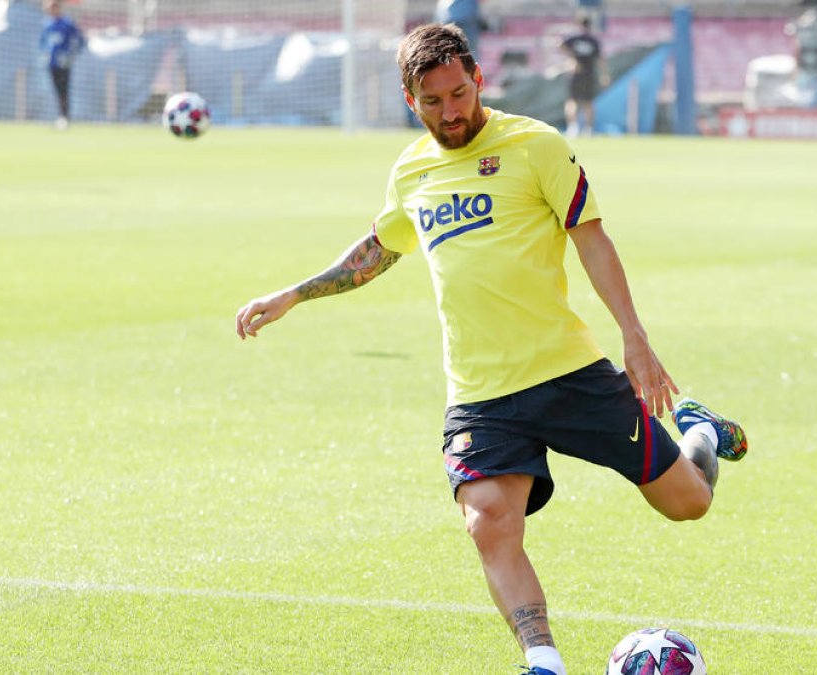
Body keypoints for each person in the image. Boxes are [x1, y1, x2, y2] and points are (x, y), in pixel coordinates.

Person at [234, 24, 747, 675]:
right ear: (409, 98)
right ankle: (542, 659)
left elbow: (591, 238)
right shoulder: (412, 169)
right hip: (480, 394)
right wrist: (294, 295)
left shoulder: (535, 145)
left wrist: (635, 339)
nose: (451, 111)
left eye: (459, 93)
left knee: (687, 503)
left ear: (477, 79)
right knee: (488, 520)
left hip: (569, 373)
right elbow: (380, 248)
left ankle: (698, 431)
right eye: (433, 101)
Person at [40, 0, 86, 130]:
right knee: (56, 91)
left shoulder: (67, 24)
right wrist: (45, 54)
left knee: (63, 90)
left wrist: (70, 55)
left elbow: (79, 41)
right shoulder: (47, 24)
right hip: (52, 64)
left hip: (64, 64)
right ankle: (60, 116)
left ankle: (65, 117)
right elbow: (43, 43)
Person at [560, 15, 605, 137]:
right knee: (585, 102)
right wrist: (604, 75)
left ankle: (575, 128)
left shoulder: (575, 38)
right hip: (586, 74)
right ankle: (586, 128)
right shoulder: (592, 40)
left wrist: (571, 59)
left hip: (579, 74)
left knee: (575, 101)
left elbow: (561, 46)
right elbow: (600, 59)